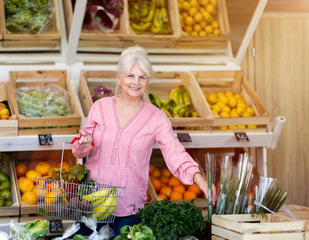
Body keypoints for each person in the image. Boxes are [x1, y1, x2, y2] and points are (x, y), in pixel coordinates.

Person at [72, 46, 216, 236]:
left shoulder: (156, 117)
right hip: (92, 203)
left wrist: (200, 180)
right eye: (130, 76)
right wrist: (83, 143)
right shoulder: (100, 107)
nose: (136, 82)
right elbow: (79, 151)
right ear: (119, 78)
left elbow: (175, 153)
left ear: (148, 81)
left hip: (129, 209)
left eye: (142, 77)